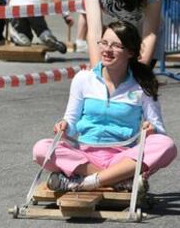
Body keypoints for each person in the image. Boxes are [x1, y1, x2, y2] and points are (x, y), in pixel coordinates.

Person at [33, 21, 177, 192]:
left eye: (116, 45)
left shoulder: (142, 85)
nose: (107, 50)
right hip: (84, 158)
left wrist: (152, 130)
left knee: (166, 145)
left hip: (122, 158)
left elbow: (159, 131)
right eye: (104, 43)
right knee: (41, 148)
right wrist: (64, 126)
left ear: (130, 52)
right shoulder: (83, 79)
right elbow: (70, 122)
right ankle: (116, 180)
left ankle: (85, 182)